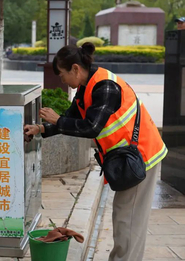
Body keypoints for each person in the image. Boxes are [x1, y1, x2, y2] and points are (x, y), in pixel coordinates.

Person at [24, 42, 167, 261]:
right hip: (127, 157)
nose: (62, 81)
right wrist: (41, 128)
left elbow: (91, 127)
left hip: (140, 157)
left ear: (75, 69)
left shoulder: (105, 87)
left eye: (62, 75)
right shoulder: (86, 86)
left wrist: (57, 119)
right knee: (125, 217)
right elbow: (73, 118)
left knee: (127, 220)